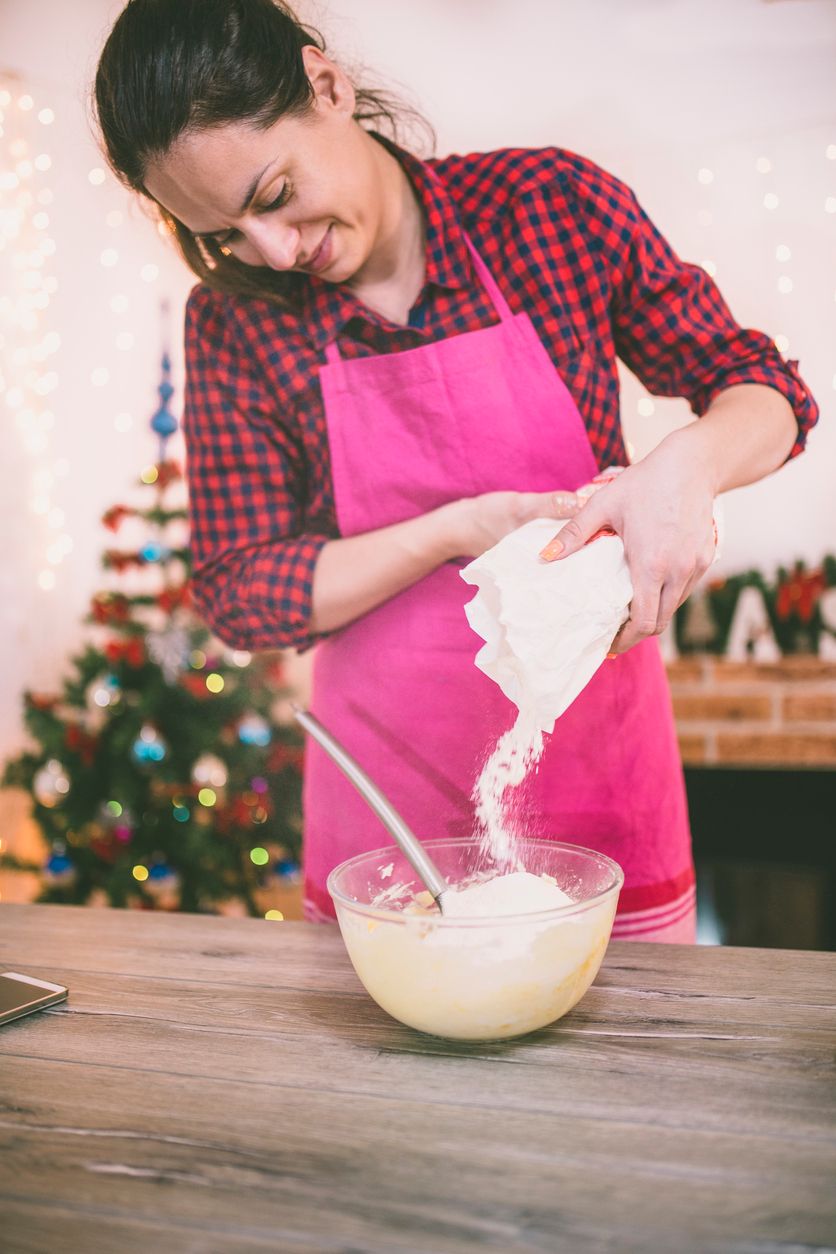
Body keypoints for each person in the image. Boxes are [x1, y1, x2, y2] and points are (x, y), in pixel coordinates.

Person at [95, 0, 818, 937]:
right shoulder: (236, 321)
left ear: (327, 85)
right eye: (225, 234)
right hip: (387, 824)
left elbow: (763, 387)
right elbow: (242, 591)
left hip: (598, 782)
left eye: (271, 197)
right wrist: (452, 528)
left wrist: (690, 466)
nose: (273, 253)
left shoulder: (550, 207)